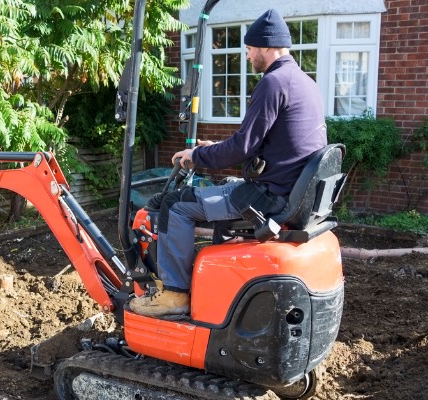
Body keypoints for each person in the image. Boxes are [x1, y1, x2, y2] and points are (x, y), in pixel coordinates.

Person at [129, 8, 327, 317]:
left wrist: (196, 155)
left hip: (266, 197)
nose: (247, 56)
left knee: (173, 205)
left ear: (265, 46)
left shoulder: (273, 83)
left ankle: (175, 295)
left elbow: (243, 146)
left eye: (249, 48)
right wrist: (213, 148)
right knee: (205, 192)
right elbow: (263, 144)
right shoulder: (303, 82)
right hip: (286, 192)